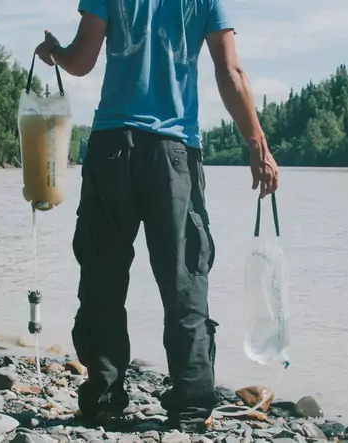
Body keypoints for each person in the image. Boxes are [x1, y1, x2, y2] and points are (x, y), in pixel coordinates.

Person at [35, 0, 280, 432]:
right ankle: (189, 407)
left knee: (102, 277)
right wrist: (256, 143)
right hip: (174, 153)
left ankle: (104, 399)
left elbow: (81, 61)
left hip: (112, 147)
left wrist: (53, 52)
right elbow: (230, 73)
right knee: (183, 281)